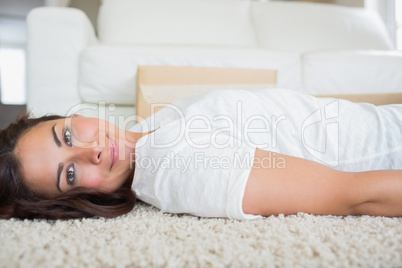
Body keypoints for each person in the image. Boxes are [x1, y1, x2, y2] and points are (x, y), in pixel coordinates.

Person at [1, 88, 402, 220]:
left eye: (67, 135)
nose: (90, 151)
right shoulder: (175, 166)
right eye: (69, 175)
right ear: (77, 202)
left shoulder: (151, 132)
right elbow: (355, 195)